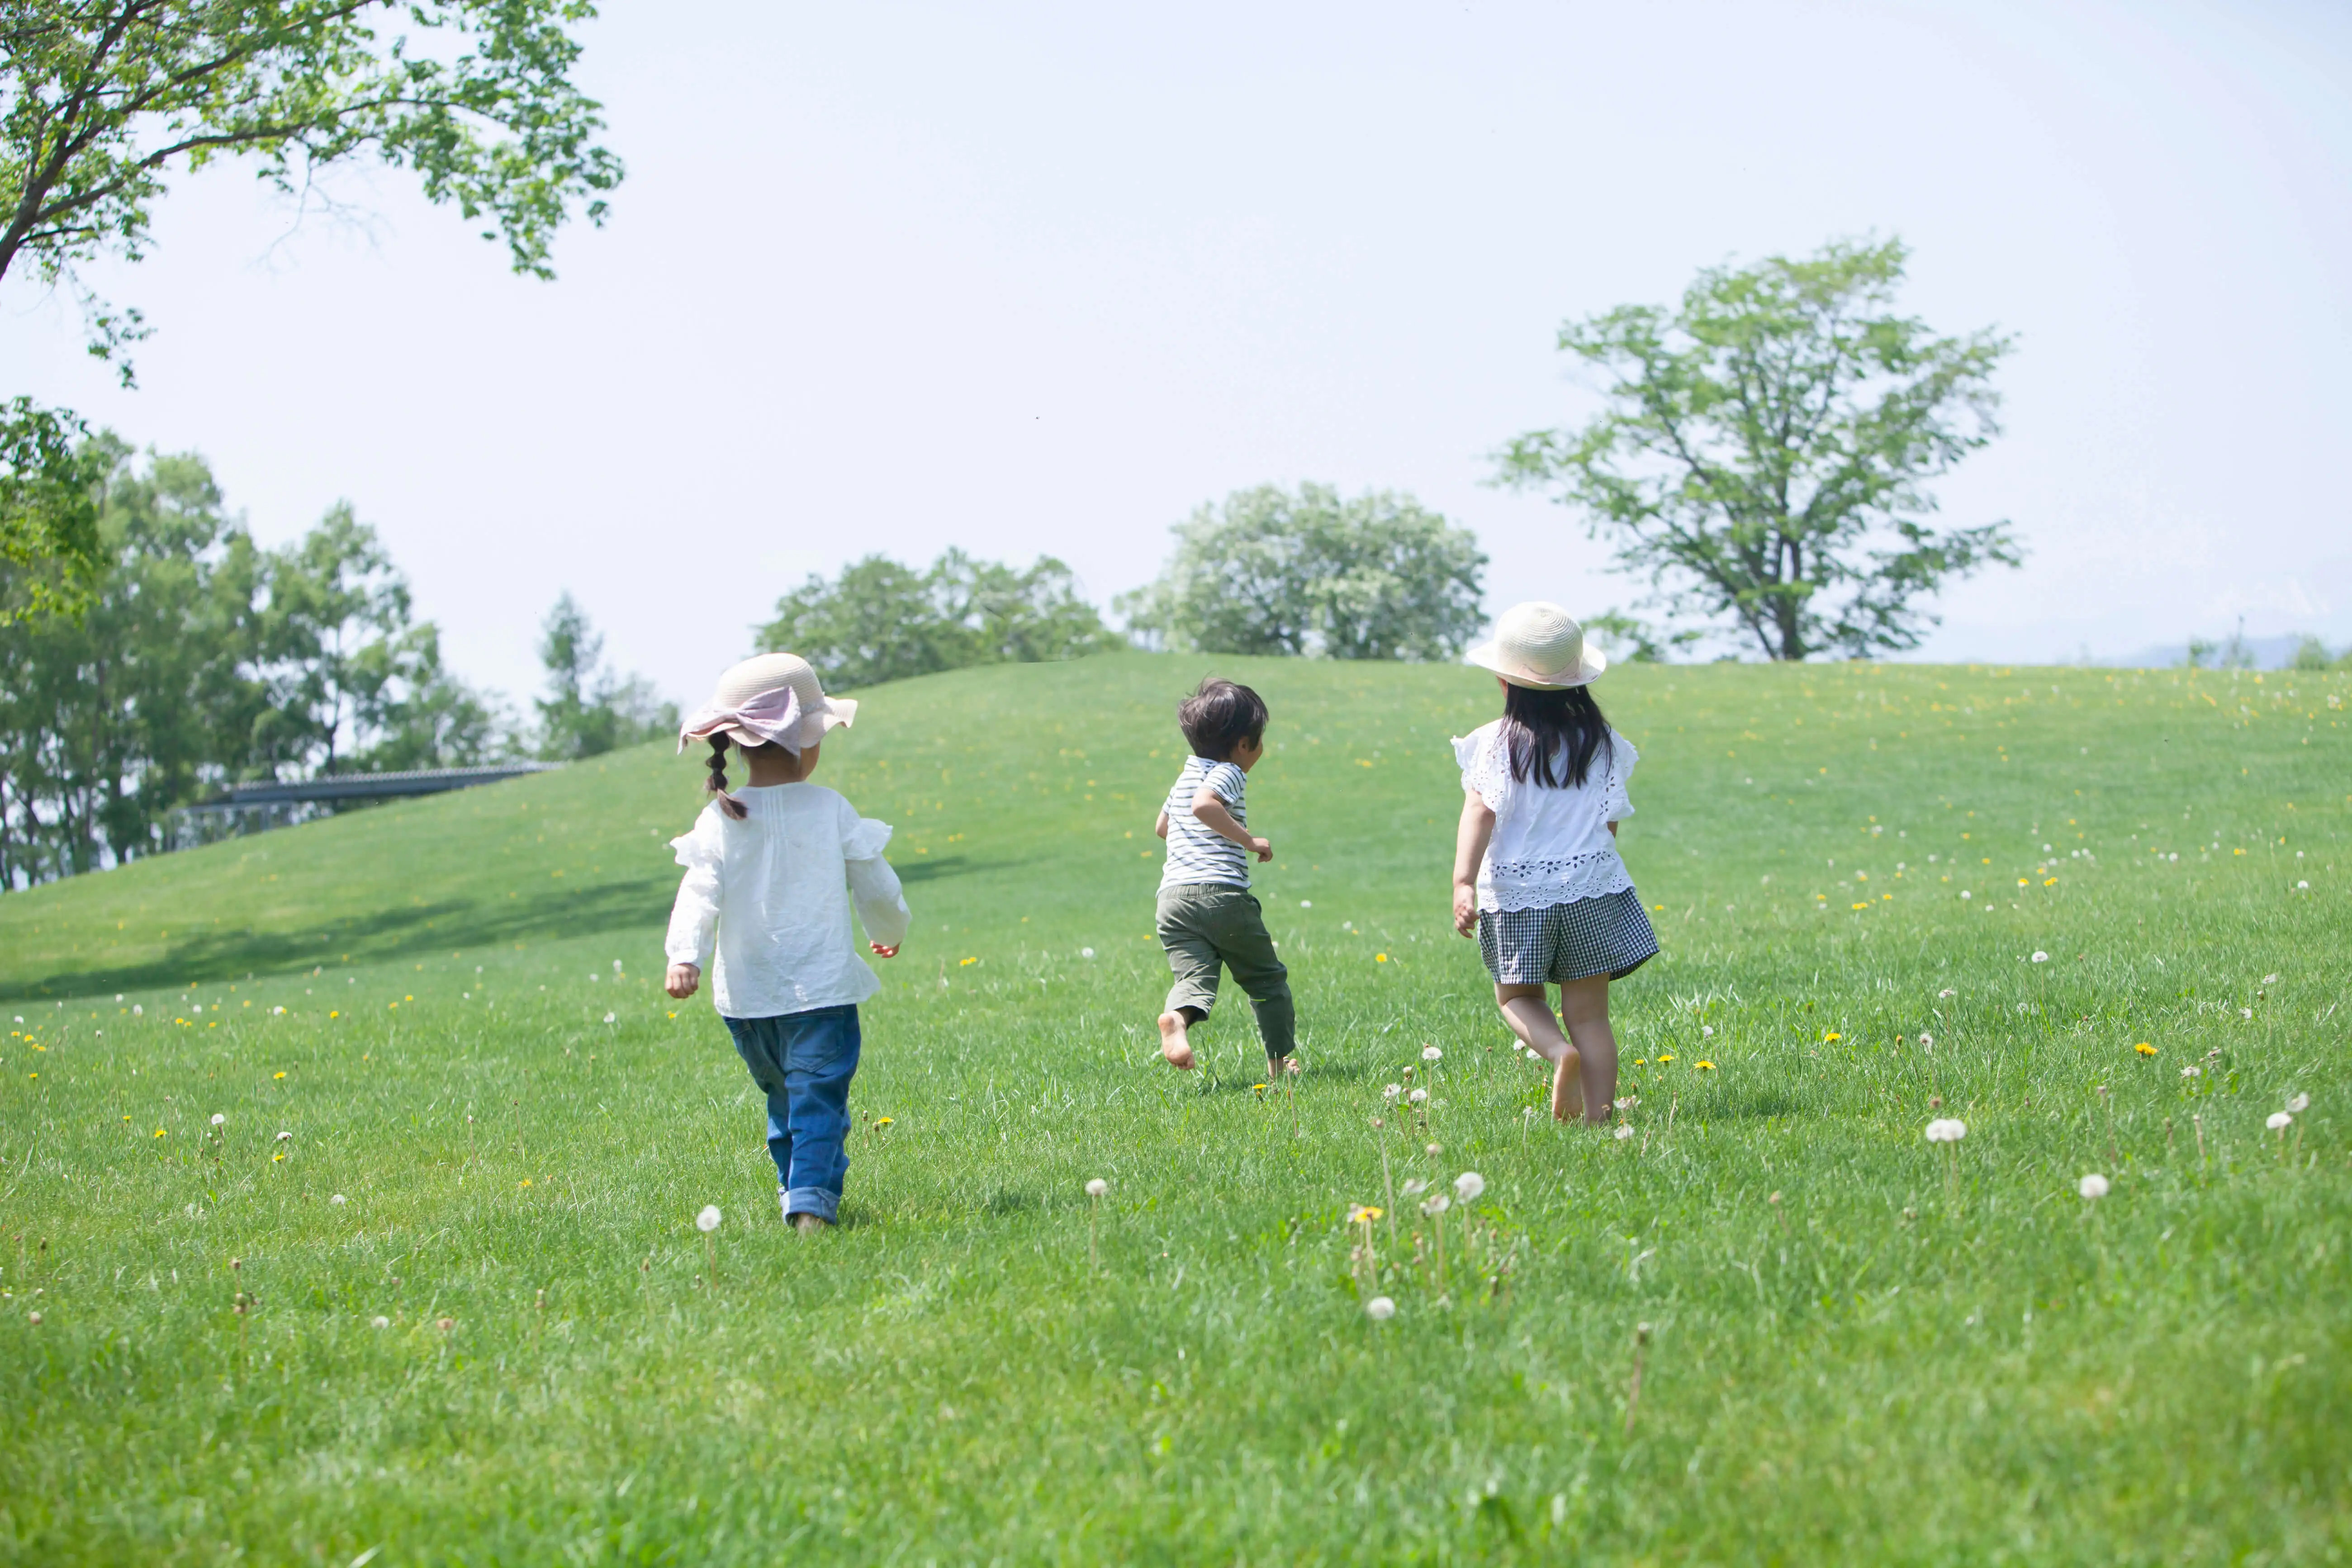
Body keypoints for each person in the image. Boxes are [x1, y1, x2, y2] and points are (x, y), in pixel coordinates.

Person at [664, 653, 909, 1233]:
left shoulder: (722, 815)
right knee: (818, 1100)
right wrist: (888, 932)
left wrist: (684, 956)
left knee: (785, 1102)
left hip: (747, 1001)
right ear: (807, 743)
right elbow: (877, 887)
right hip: (819, 989)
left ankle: (794, 1187)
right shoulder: (828, 808)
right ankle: (810, 1206)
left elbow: (697, 893)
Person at [1450, 603, 1655, 1123]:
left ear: (1504, 682)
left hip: (1519, 895)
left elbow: (1479, 812)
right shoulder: (1602, 743)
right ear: (1578, 683)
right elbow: (1610, 822)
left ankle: (1558, 1053)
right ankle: (1599, 1116)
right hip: (1591, 888)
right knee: (1590, 1016)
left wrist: (1463, 882)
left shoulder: (1493, 743)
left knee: (1516, 996)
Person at [1151, 677, 1298, 1079]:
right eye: (1259, 740)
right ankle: (1281, 1066)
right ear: (1243, 745)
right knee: (1267, 981)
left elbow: (1164, 826)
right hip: (1221, 894)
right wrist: (1249, 840)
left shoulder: (1184, 775)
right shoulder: (1228, 771)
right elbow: (1204, 806)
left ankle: (1177, 1021)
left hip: (1172, 899)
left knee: (1194, 977)